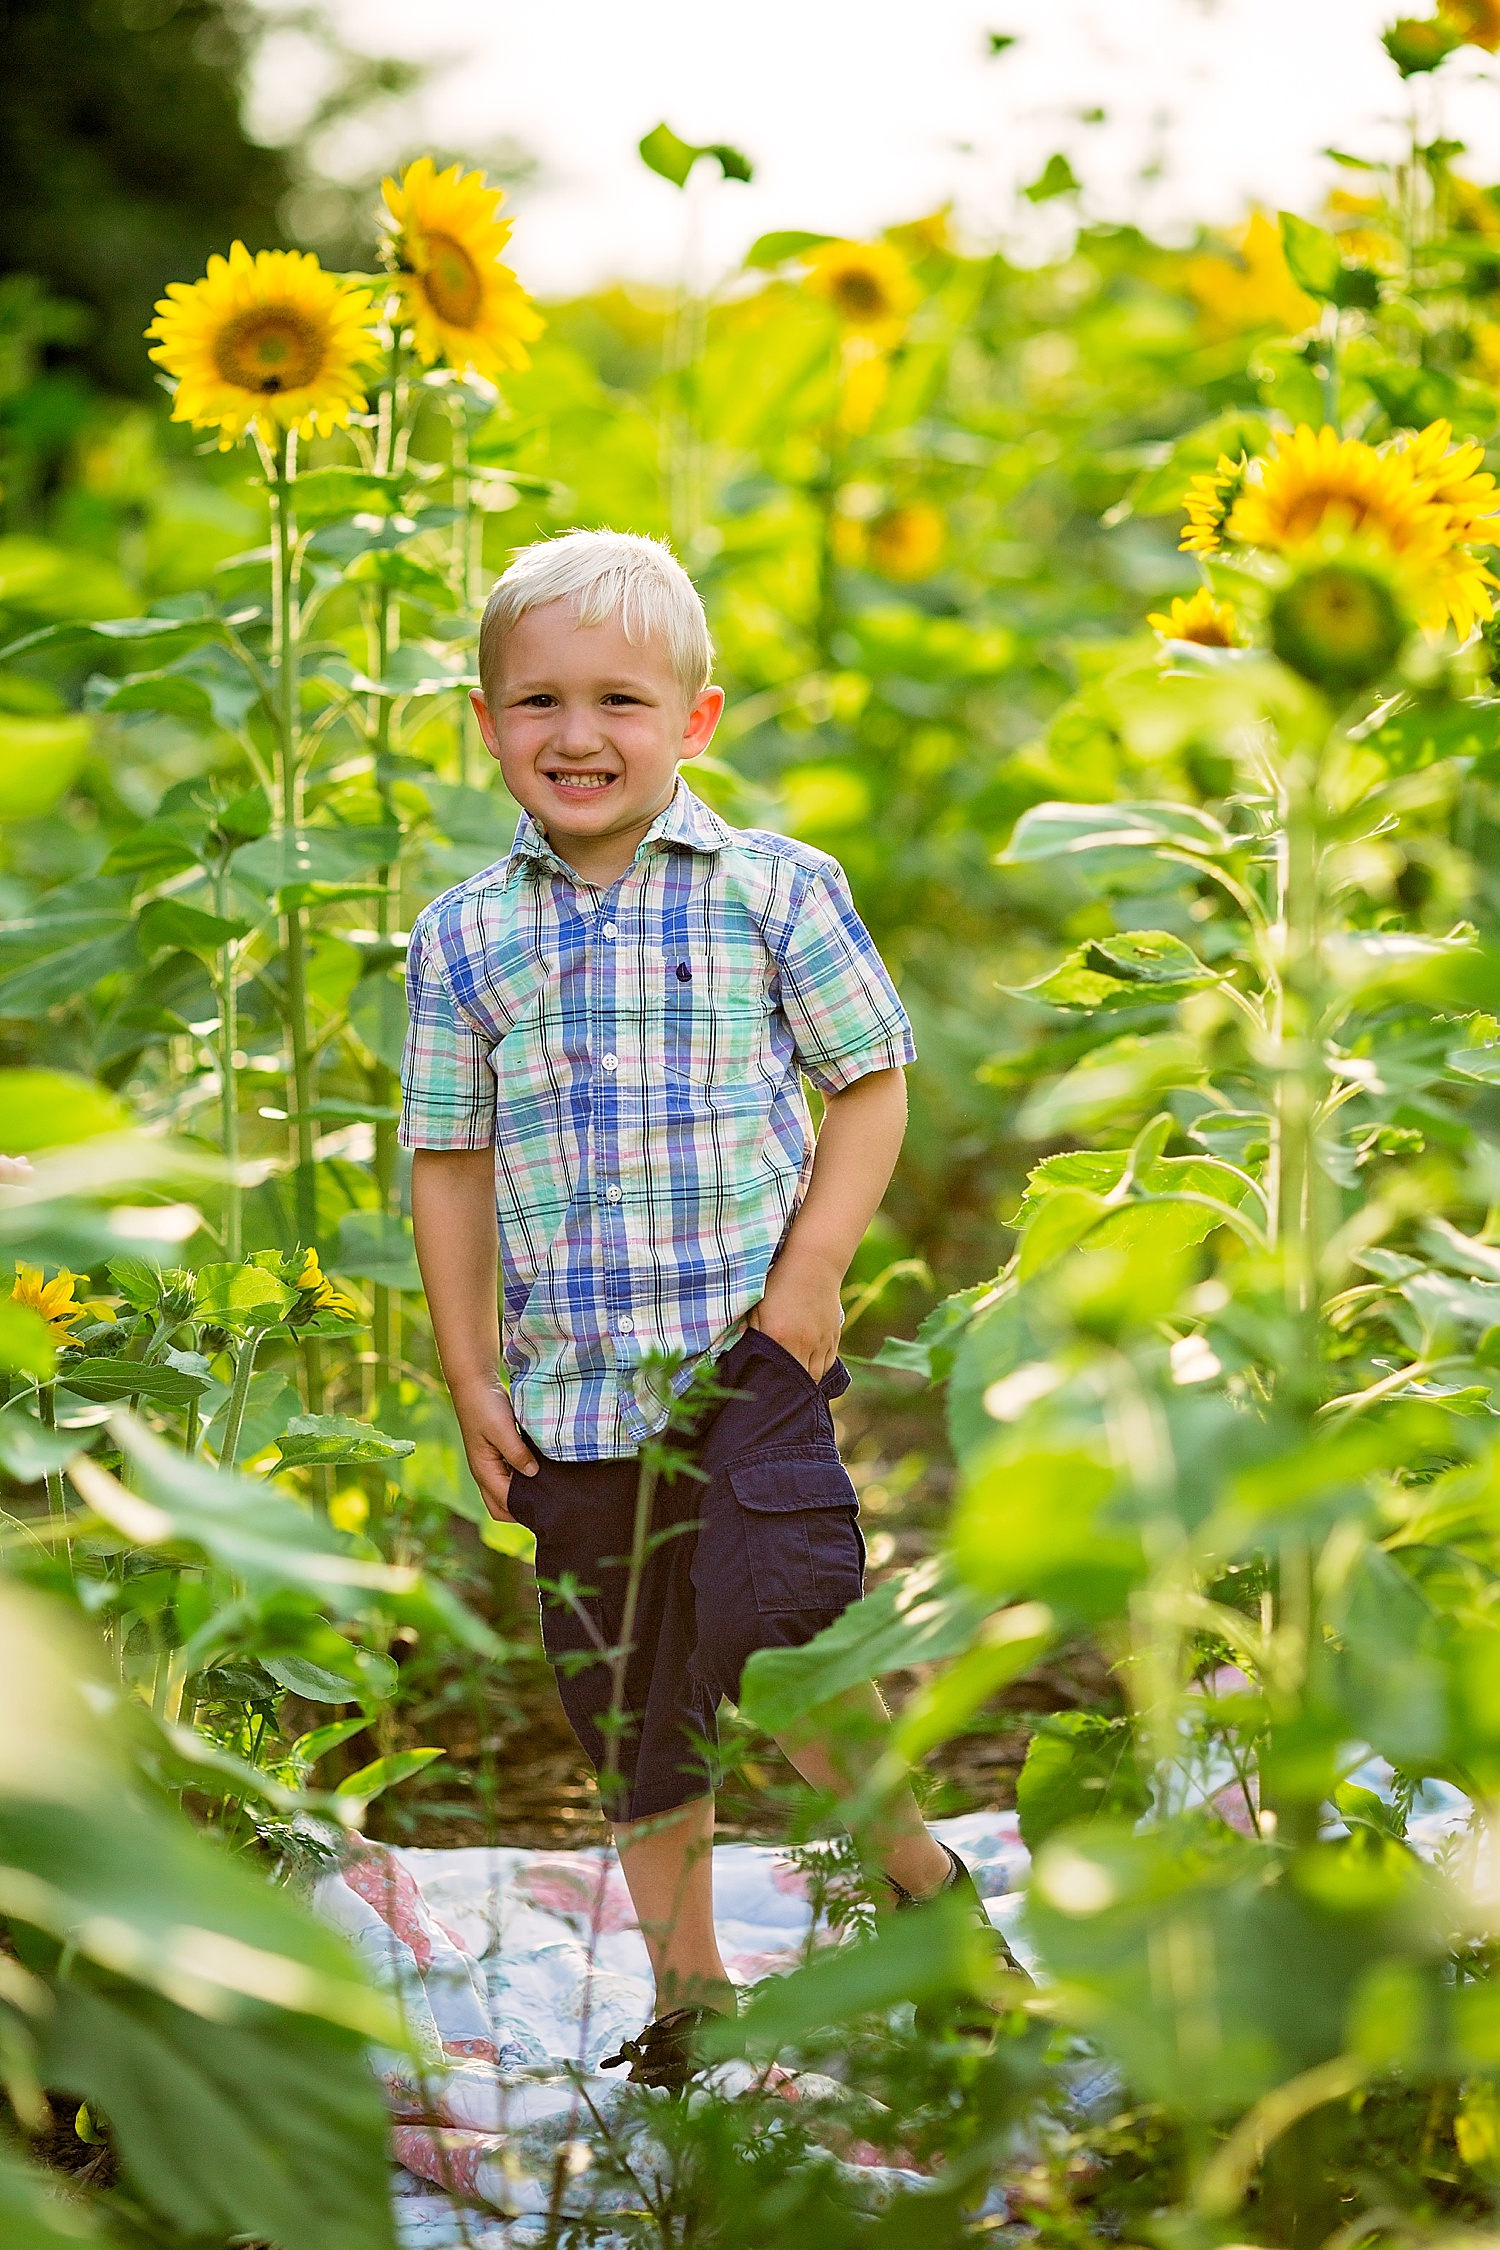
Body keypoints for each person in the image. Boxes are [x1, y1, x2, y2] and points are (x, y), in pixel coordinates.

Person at [402, 529, 1005, 2089]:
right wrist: (471, 1370)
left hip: (748, 1363)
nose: (578, 735)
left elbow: (872, 1077)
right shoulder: (464, 935)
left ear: (697, 719)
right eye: (537, 702)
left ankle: (926, 1893)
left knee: (782, 1637)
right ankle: (691, 1986)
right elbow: (450, 1161)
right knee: (627, 1697)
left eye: (620, 699)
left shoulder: (773, 893)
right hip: (576, 1395)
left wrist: (811, 1278)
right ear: (486, 725)